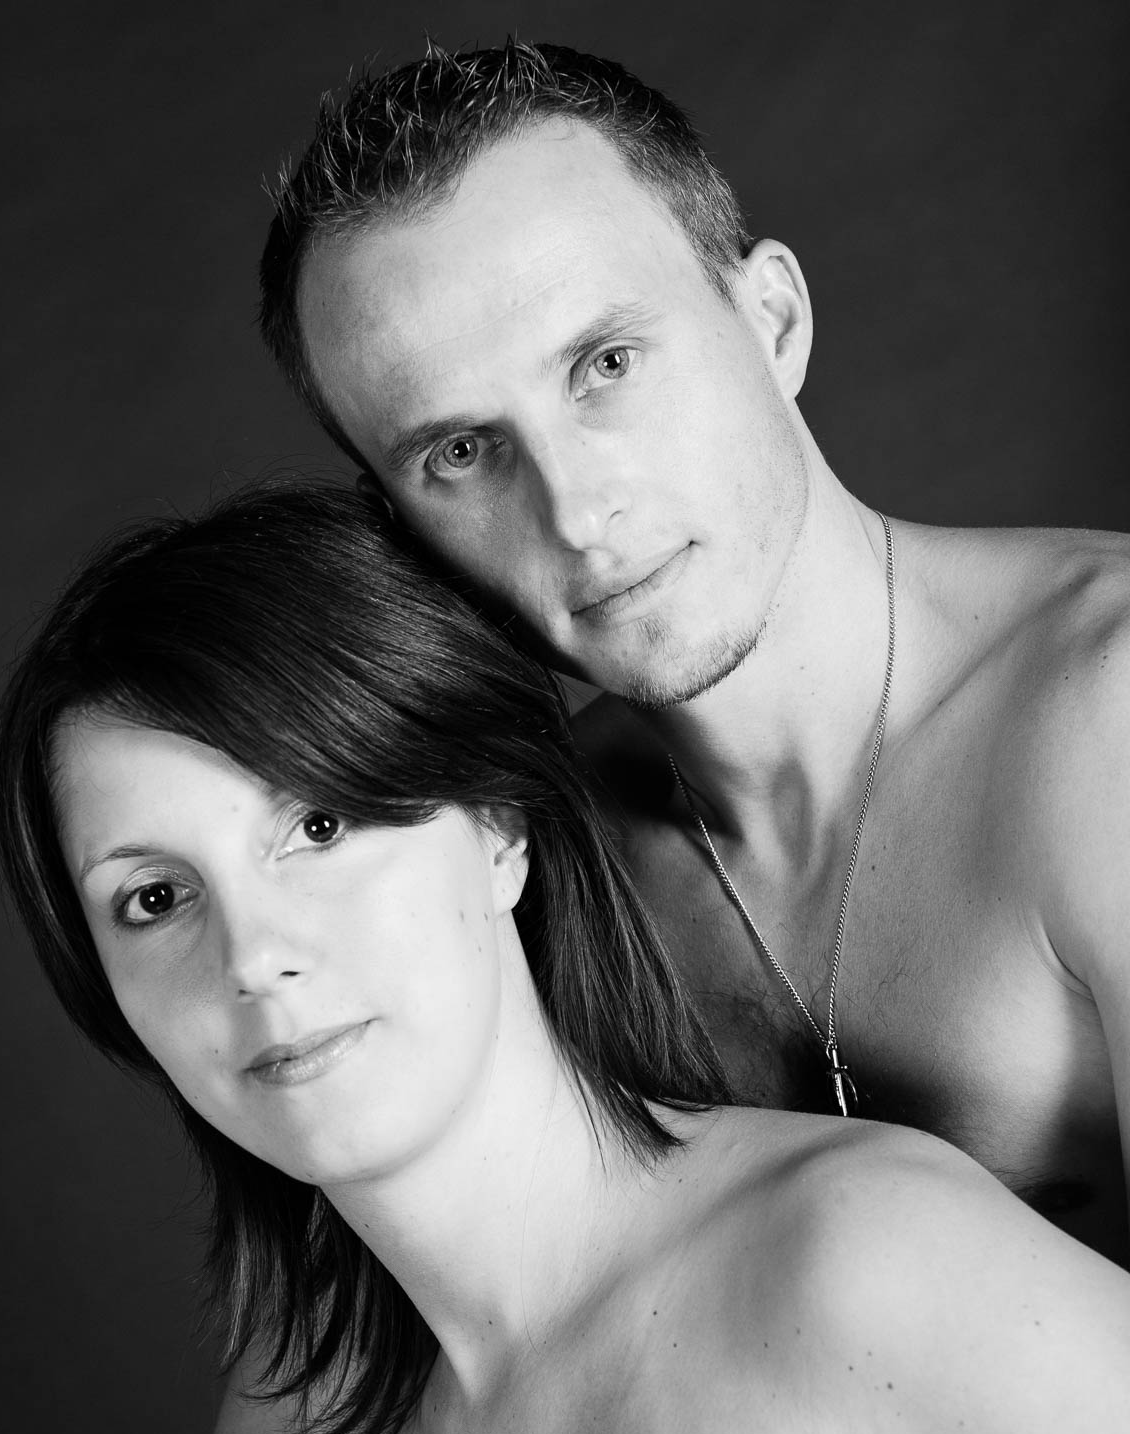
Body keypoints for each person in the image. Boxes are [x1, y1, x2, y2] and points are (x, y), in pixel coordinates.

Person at [0, 484, 1130, 1434]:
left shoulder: (860, 1261)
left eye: (319, 826)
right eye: (153, 898)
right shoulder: (380, 1432)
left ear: (497, 831)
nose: (250, 956)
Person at [257, 39, 1130, 1268]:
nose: (573, 510)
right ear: (398, 524)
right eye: (459, 452)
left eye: (605, 366)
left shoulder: (1108, 707)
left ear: (771, 320)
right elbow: (313, 1423)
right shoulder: (527, 868)